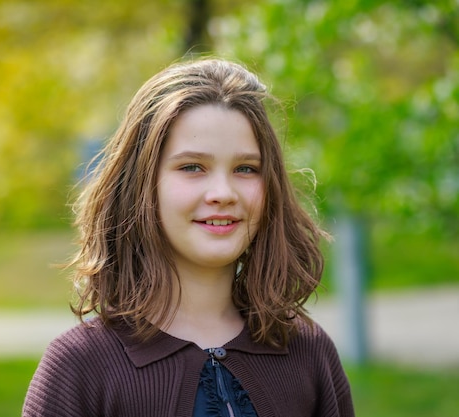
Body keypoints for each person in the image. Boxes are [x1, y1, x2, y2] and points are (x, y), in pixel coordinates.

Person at [22, 58, 355, 417]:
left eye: (246, 168)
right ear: (141, 186)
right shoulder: (80, 367)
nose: (223, 192)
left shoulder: (307, 352)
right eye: (192, 167)